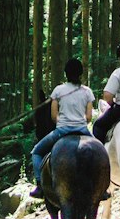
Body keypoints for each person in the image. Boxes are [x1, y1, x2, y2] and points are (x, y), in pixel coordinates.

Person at [28, 57, 94, 198]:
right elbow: (88, 117)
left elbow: (53, 116)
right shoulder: (87, 91)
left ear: (66, 73)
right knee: (103, 153)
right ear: (81, 74)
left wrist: (65, 122)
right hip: (82, 130)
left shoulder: (58, 90)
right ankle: (103, 188)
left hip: (62, 130)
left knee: (36, 152)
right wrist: (78, 121)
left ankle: (40, 186)